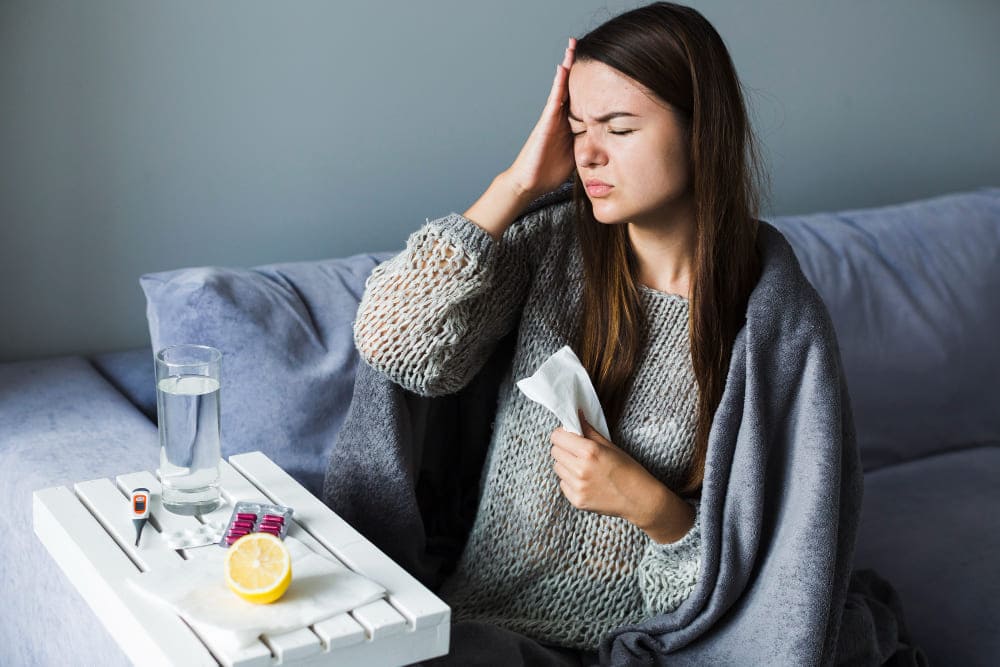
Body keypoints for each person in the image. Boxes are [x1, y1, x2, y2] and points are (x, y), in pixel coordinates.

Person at [352, 2, 769, 664]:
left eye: (620, 127)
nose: (590, 152)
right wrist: (517, 182)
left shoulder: (757, 322)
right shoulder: (551, 249)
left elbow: (738, 591)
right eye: (577, 128)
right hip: (478, 622)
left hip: (635, 644)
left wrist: (655, 509)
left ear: (701, 132)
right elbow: (392, 343)